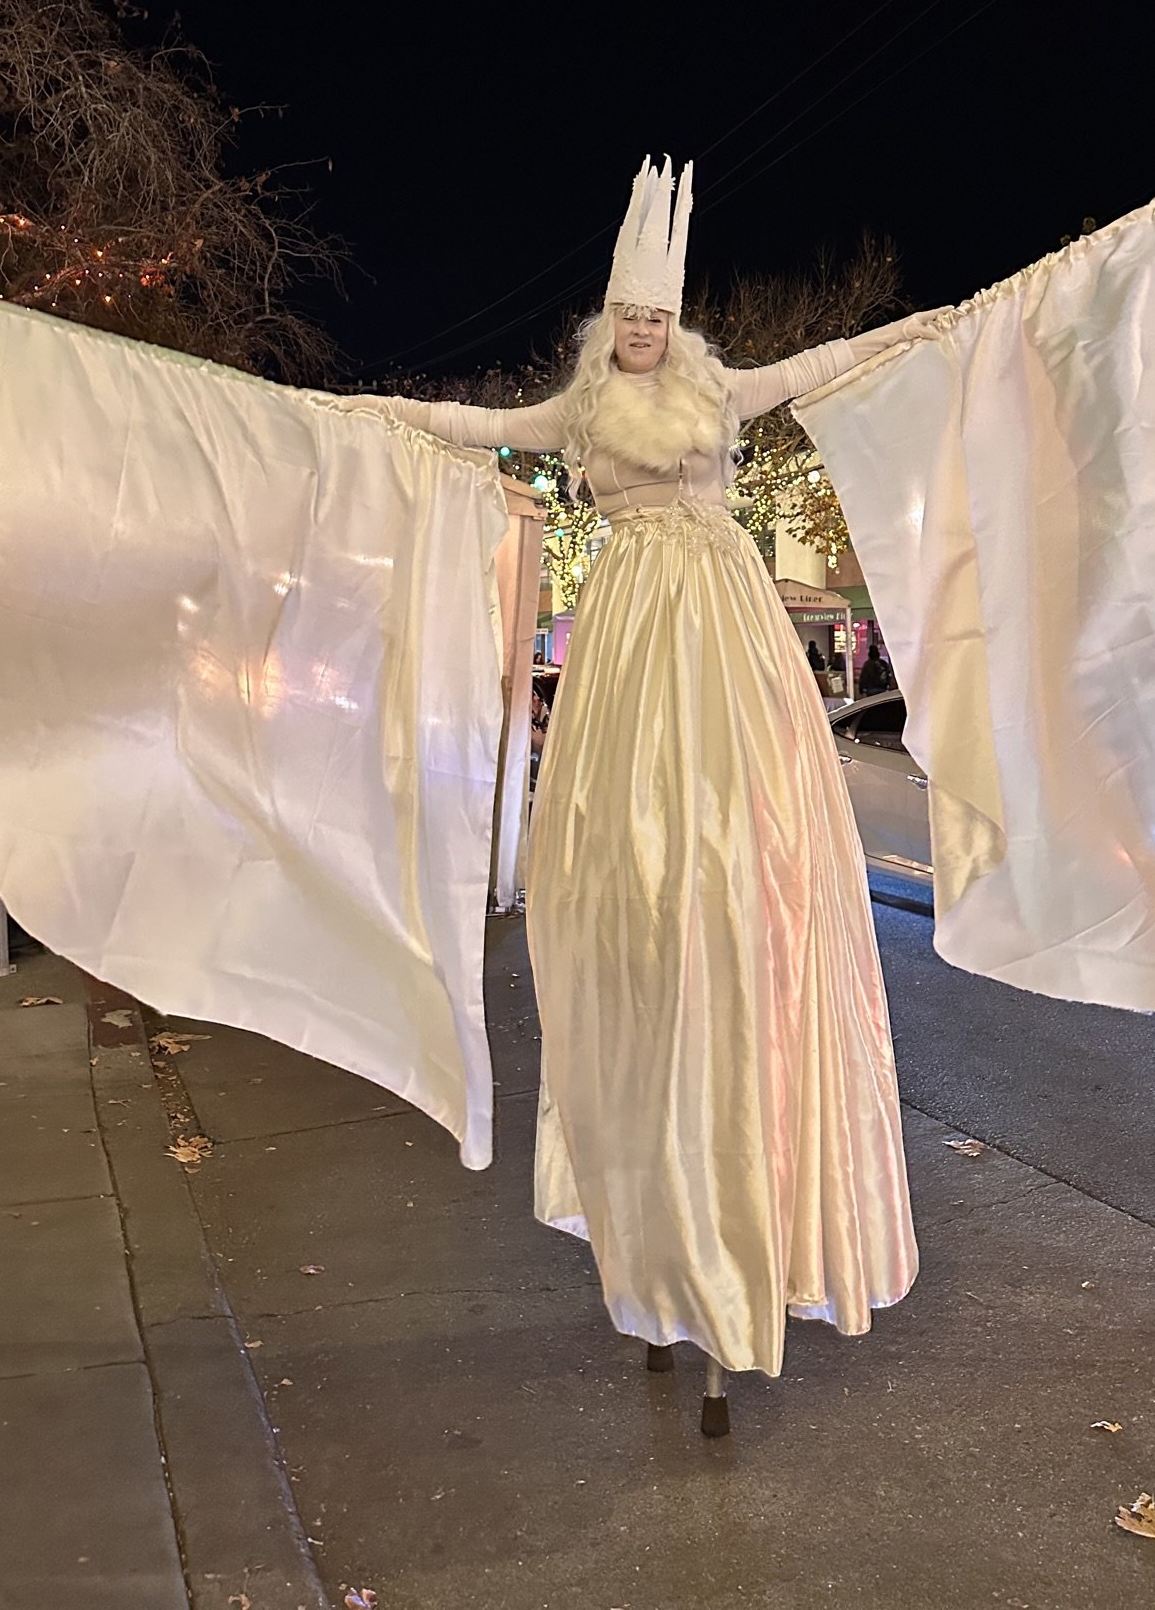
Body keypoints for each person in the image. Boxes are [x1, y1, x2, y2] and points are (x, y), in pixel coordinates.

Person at [384, 156, 923, 1427]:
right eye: (628, 310)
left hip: (722, 627)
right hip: (627, 637)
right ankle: (658, 1245)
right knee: (625, 871)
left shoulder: (719, 391)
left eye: (659, 312)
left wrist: (916, 326)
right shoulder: (576, 413)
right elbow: (476, 428)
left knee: (742, 857)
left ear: (676, 322)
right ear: (604, 320)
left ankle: (727, 1251)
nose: (642, 328)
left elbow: (826, 364)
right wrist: (374, 409)